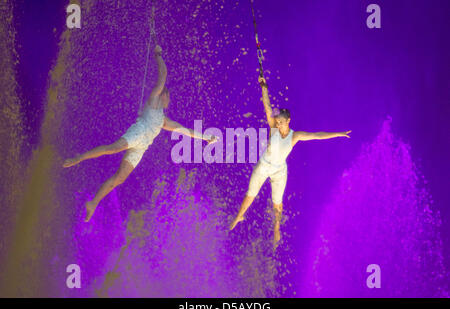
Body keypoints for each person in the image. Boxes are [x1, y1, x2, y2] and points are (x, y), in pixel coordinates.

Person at [63, 45, 217, 222]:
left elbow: (186, 131)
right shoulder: (153, 100)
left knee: (119, 179)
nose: (169, 100)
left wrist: (207, 138)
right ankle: (79, 157)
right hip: (138, 132)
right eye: (168, 97)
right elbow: (163, 77)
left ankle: (93, 203)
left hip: (141, 147)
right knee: (114, 148)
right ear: (163, 95)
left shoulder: (164, 121)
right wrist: (158, 54)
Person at [229, 76, 351, 246]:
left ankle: (276, 227)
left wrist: (337, 134)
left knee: (277, 204)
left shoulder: (295, 136)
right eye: (277, 122)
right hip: (264, 165)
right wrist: (263, 86)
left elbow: (317, 136)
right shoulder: (273, 128)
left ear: (288, 121)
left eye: (280, 122)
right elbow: (267, 105)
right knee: (251, 193)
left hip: (280, 171)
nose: (278, 125)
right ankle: (238, 216)